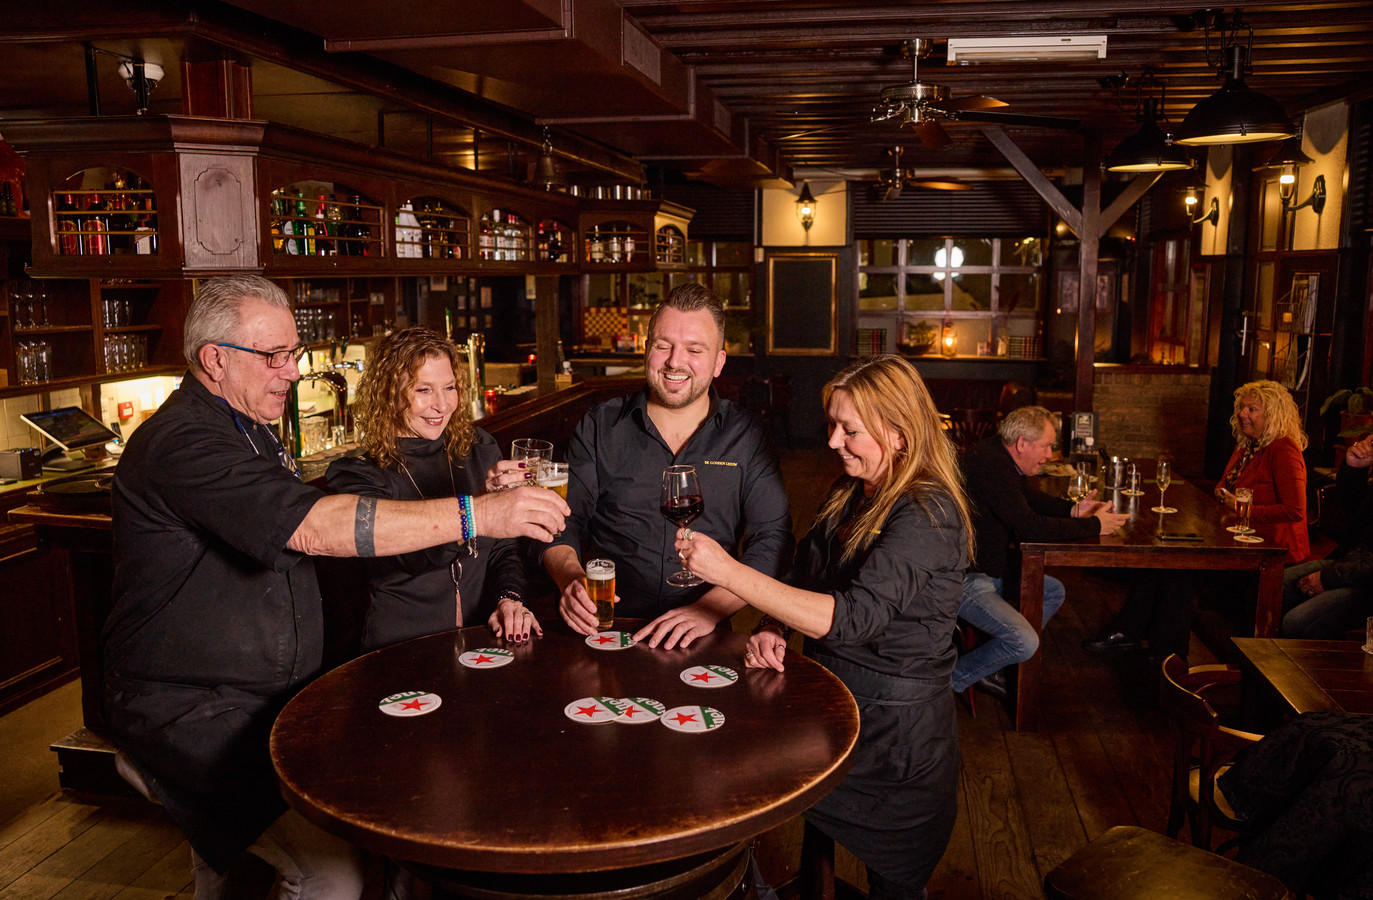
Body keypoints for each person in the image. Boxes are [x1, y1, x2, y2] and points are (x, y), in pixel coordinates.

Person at [102, 276, 567, 896]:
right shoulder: (185, 442)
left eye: (292, 353)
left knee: (229, 863)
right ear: (215, 359)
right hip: (188, 712)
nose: (291, 371)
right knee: (331, 872)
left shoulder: (248, 425)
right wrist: (478, 515)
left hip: (259, 701)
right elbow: (316, 529)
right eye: (274, 355)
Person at [673, 355, 970, 900]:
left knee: (895, 884)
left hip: (896, 741)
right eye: (832, 425)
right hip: (835, 707)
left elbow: (850, 619)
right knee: (734, 786)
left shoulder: (929, 513)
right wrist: (772, 628)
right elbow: (801, 572)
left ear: (898, 433)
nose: (833, 441)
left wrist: (729, 572)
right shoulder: (852, 491)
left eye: (849, 429)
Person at [540, 282, 793, 648]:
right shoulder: (600, 425)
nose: (675, 361)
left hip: (706, 634)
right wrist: (570, 579)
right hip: (605, 628)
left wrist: (707, 610)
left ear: (719, 362)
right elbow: (561, 521)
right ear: (646, 351)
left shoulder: (747, 435)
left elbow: (772, 542)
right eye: (663, 345)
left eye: (694, 349)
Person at [326, 326, 541, 650]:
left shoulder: (478, 448)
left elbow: (502, 549)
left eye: (450, 387)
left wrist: (509, 599)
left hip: (484, 640)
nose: (441, 405)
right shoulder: (361, 476)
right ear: (388, 393)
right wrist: (481, 509)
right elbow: (412, 560)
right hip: (401, 650)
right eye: (423, 390)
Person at [1088, 380, 1308, 656]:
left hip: (1269, 552)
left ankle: (1166, 655)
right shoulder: (1247, 446)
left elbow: (1295, 510)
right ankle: (1136, 635)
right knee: (1164, 557)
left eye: (1252, 409)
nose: (1242, 414)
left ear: (1273, 415)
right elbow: (1227, 489)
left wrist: (1241, 508)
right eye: (1242, 407)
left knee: (1178, 567)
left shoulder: (1283, 449)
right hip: (1237, 539)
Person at [954, 406, 1129, 699]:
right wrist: (1095, 526)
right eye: (1046, 446)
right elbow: (1031, 526)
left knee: (1053, 591)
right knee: (1024, 641)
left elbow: (1028, 499)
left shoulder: (999, 456)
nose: (1050, 455)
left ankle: (997, 665)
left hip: (989, 566)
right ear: (1022, 443)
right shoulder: (990, 465)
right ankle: (953, 678)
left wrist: (1072, 510)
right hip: (965, 578)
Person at [1280, 432, 1373, 638]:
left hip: (1366, 583)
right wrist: (1355, 469)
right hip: (1350, 564)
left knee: (1297, 621)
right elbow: (1355, 511)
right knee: (1268, 589)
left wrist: (1329, 578)